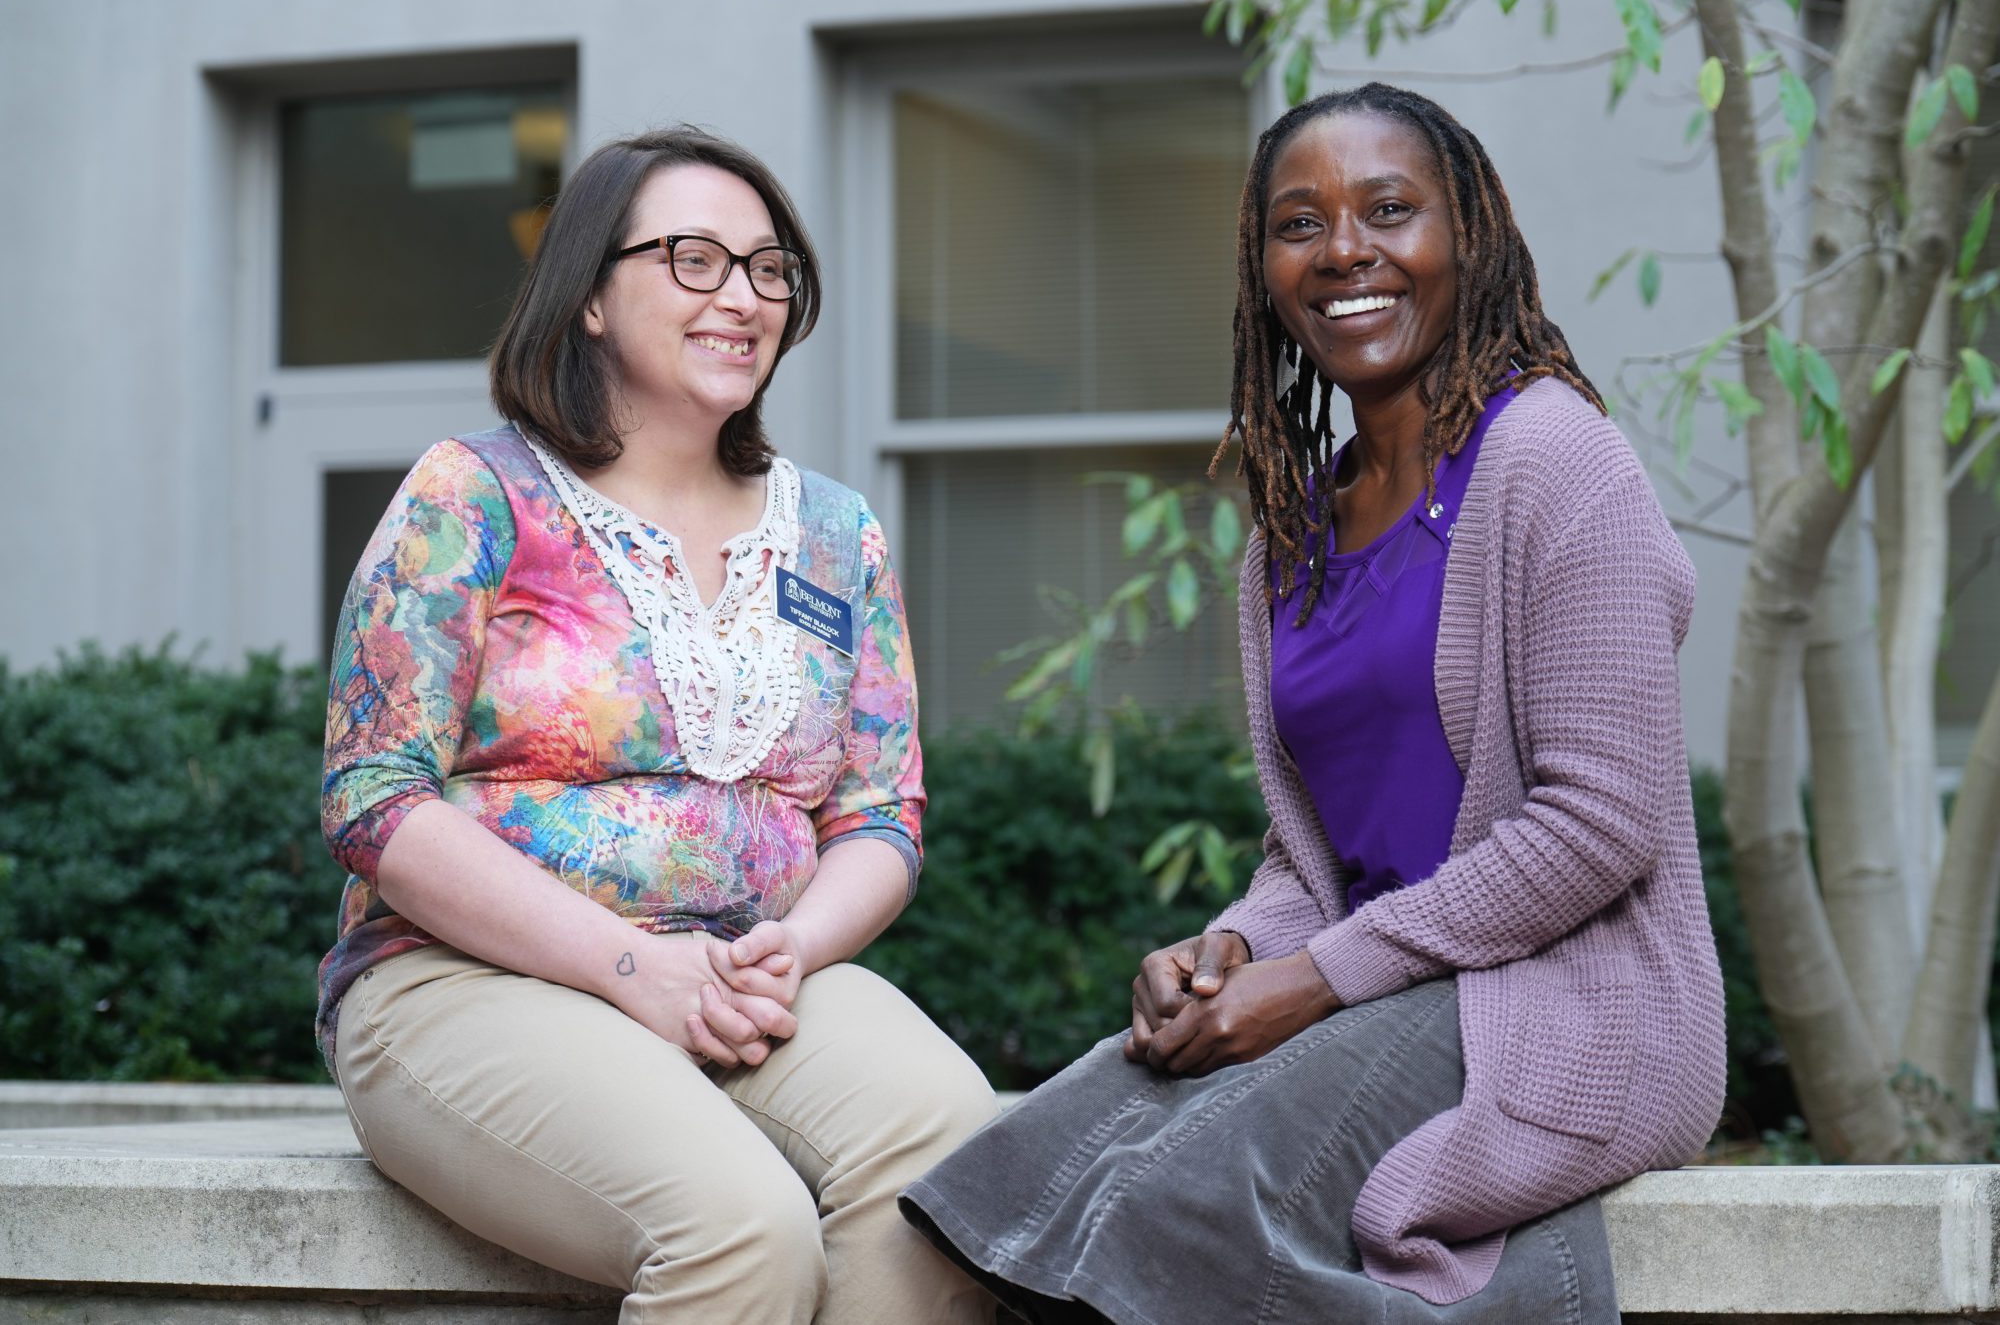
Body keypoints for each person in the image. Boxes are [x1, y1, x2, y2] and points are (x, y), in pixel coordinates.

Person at [900, 83, 1727, 1324]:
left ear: (1470, 237)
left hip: (1571, 1001)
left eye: (1389, 210)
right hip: (1382, 990)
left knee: (1176, 1203)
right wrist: (1234, 947)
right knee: (1018, 1180)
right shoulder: (1291, 534)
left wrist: (1317, 979)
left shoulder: (1557, 462)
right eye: (1301, 223)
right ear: (1262, 269)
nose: (1344, 250)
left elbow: (1595, 827)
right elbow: (1312, 862)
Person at [316, 124, 997, 1325]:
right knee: (739, 1228)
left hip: (750, 974)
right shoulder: (473, 495)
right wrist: (632, 968)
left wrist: (798, 945)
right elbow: (375, 799)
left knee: (950, 1165)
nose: (742, 296)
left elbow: (880, 812)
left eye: (767, 268)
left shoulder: (835, 535)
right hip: (461, 981)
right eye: (693, 259)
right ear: (585, 294)